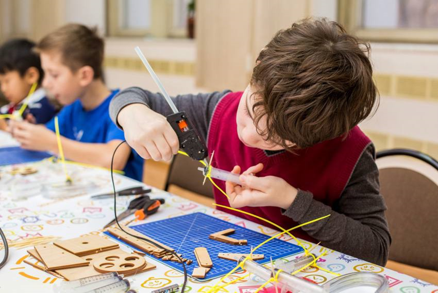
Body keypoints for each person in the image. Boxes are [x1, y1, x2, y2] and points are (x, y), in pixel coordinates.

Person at [109, 18, 391, 265]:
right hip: (228, 264)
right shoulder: (219, 111)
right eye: (250, 110)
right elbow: (131, 97)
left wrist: (291, 200)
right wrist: (132, 114)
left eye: (278, 138)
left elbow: (375, 250)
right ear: (257, 69)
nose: (248, 135)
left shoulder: (349, 151)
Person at [11, 24, 143, 181]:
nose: (45, 83)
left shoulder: (121, 109)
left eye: (54, 74)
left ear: (84, 75)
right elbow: (46, 134)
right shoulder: (74, 108)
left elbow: (113, 159)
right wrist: (27, 131)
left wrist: (52, 143)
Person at [0, 39, 56, 130]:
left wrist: (5, 127)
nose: (3, 88)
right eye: (0, 83)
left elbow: (36, 137)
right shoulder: (11, 107)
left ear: (31, 76)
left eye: (7, 81)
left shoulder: (43, 107)